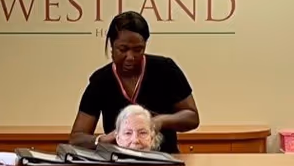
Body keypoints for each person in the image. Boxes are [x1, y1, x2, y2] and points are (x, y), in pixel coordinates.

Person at [69, 11, 199, 153]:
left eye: (138, 50)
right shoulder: (101, 81)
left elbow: (192, 117)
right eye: (123, 49)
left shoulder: (165, 70)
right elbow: (77, 138)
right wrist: (102, 139)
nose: (130, 57)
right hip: (119, 164)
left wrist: (159, 121)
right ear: (112, 46)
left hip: (165, 161)